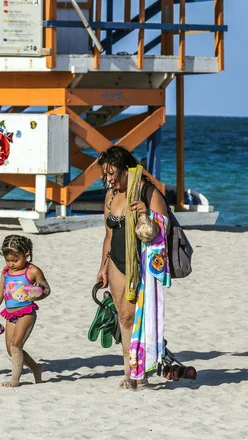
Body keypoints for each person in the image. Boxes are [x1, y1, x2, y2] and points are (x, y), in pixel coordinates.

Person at [96, 145, 170, 389]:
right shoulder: (110, 196)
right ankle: (130, 371)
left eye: (111, 173)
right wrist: (103, 266)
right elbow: (108, 235)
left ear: (125, 169)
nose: (108, 179)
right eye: (105, 174)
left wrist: (146, 213)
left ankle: (140, 372)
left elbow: (162, 231)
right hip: (116, 262)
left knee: (133, 316)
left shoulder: (147, 192)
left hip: (140, 263)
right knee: (123, 318)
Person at [0, 235, 50, 387]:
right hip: (10, 313)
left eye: (15, 260)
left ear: (26, 254)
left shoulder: (33, 271)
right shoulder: (6, 272)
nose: (11, 264)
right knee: (10, 349)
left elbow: (46, 289)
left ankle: (15, 379)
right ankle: (36, 367)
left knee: (16, 345)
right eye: (8, 260)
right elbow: (0, 292)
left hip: (27, 311)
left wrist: (38, 293)